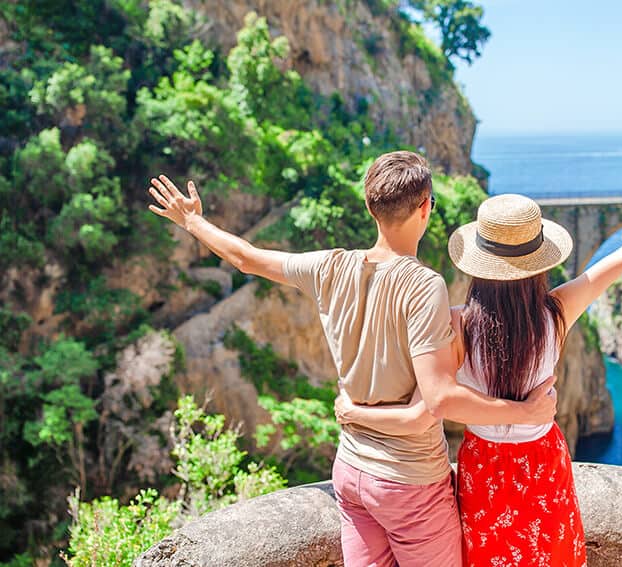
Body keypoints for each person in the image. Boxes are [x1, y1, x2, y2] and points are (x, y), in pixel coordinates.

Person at [145, 150, 558, 567]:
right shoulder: (423, 286)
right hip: (409, 482)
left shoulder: (330, 267)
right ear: (424, 208)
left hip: (351, 472)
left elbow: (246, 258)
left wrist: (193, 221)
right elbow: (438, 401)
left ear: (368, 206)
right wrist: (526, 413)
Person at [336, 160, 622, 567]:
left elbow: (429, 392)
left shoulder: (457, 323)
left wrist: (355, 409)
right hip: (542, 459)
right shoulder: (557, 314)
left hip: (484, 463)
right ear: (539, 260)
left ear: (479, 261)